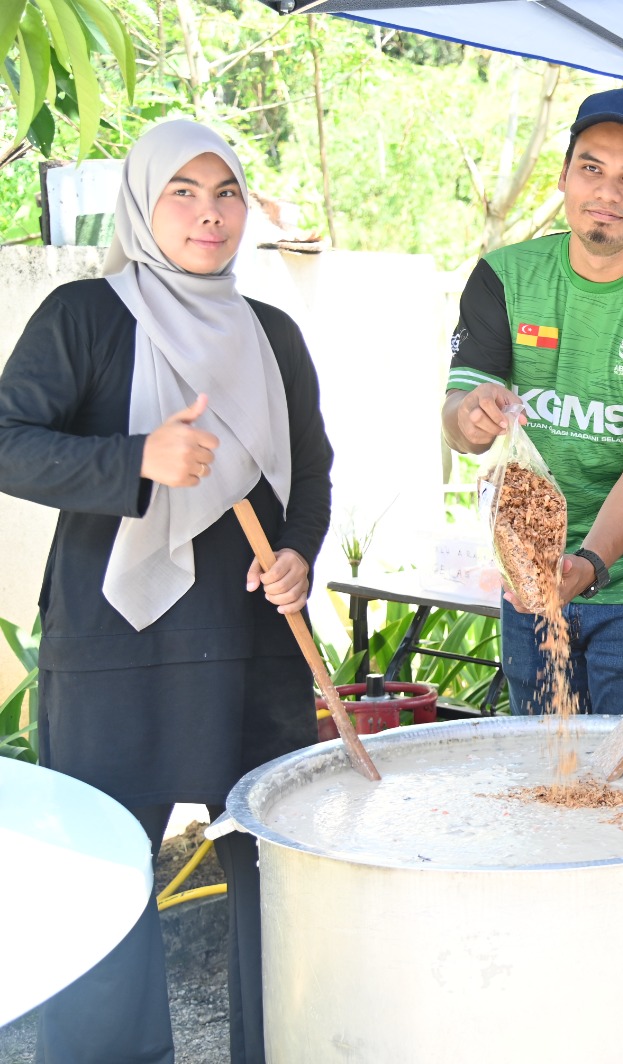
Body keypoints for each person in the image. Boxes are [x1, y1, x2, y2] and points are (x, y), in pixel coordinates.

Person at [0, 120, 333, 1063]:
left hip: (251, 640)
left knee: (270, 869)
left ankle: (283, 1046)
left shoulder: (272, 333)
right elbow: (7, 438)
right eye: (182, 191)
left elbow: (309, 475)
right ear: (142, 203)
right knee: (104, 874)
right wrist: (135, 458)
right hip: (114, 649)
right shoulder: (85, 316)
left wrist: (299, 555)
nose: (209, 213)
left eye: (225, 191)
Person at [441, 87, 623, 717]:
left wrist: (589, 563)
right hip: (530, 574)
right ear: (565, 174)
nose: (608, 194)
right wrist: (473, 414)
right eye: (591, 168)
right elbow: (458, 424)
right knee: (542, 776)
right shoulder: (504, 277)